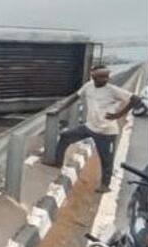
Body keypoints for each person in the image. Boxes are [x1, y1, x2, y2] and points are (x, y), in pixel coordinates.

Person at [47, 65, 141, 193]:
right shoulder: (88, 86)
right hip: (90, 126)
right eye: (101, 76)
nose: (105, 79)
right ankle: (58, 162)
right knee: (66, 136)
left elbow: (136, 99)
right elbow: (75, 97)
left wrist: (119, 114)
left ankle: (105, 185)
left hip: (106, 131)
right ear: (93, 77)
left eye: (106, 76)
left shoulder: (113, 90)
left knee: (106, 160)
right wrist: (60, 108)